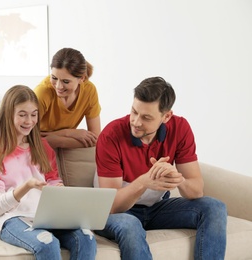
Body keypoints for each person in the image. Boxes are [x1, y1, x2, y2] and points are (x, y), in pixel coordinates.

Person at [94, 76, 227, 259]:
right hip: (115, 213)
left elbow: (196, 191)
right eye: (134, 112)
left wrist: (178, 179)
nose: (136, 122)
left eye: (146, 117)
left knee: (214, 207)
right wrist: (144, 181)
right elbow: (110, 205)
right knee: (130, 225)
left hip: (156, 208)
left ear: (166, 116)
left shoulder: (180, 128)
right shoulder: (111, 135)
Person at [0, 85, 97, 260]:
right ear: (8, 114)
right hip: (11, 218)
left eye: (34, 114)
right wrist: (27, 186)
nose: (29, 121)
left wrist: (62, 192)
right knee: (46, 243)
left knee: (87, 237)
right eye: (22, 114)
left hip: (46, 216)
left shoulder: (43, 147)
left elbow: (54, 182)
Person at [34, 47, 101, 149]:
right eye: (54, 78)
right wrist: (71, 134)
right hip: (38, 147)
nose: (58, 86)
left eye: (66, 81)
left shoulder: (89, 90)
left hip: (57, 145)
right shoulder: (42, 93)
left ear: (81, 78)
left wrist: (59, 138)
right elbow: (25, 137)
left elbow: (95, 139)